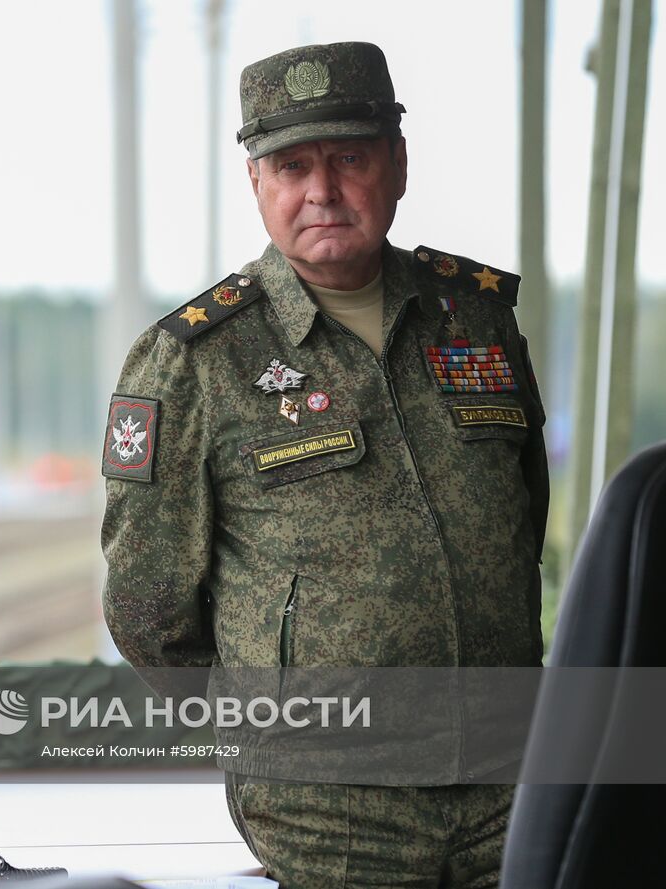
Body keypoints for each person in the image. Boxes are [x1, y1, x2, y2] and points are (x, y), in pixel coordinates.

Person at [100, 42, 548, 887]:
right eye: (293, 166)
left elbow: (522, 523)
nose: (322, 191)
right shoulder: (196, 359)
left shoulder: (477, 318)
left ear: (398, 164)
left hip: (512, 787)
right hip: (330, 812)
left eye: (349, 158)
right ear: (256, 182)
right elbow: (147, 608)